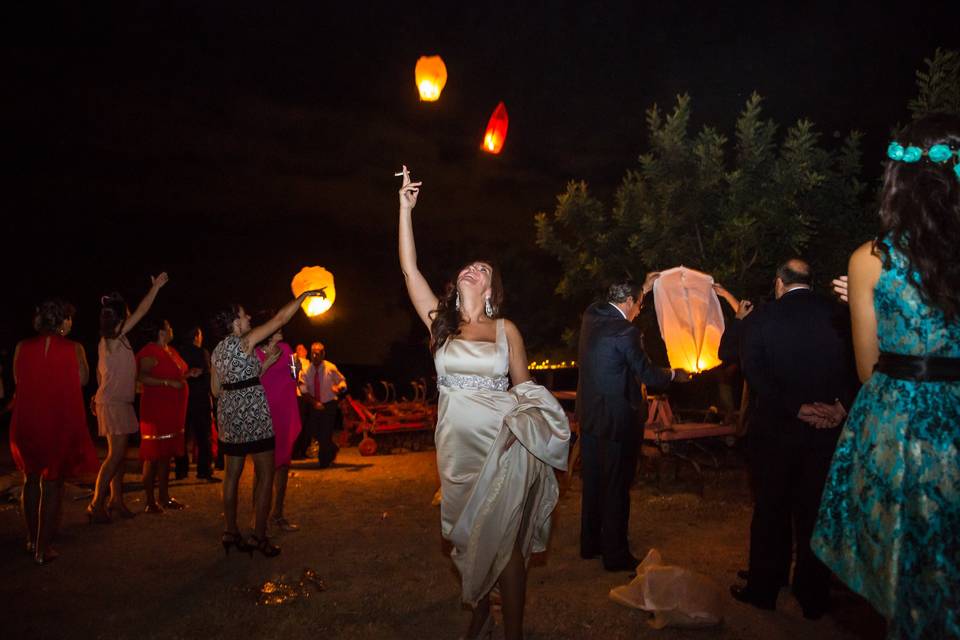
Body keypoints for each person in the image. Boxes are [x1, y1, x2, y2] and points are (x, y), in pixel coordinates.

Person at [398, 165, 570, 640]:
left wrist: (522, 434)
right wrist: (404, 210)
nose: (474, 268)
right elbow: (410, 270)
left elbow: (527, 393)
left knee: (506, 544)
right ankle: (480, 609)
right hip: (455, 449)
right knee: (463, 537)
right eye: (470, 266)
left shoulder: (505, 330)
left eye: (484, 270)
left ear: (491, 290)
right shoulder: (441, 325)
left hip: (502, 446)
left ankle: (511, 630)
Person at [812, 114, 960, 639]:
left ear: (895, 180)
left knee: (908, 575)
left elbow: (866, 366)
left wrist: (883, 309)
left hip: (901, 433)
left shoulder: (870, 262)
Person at [731, 259, 858, 619]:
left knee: (771, 510)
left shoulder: (761, 319)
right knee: (814, 512)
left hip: (775, 432)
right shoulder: (840, 315)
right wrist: (840, 407)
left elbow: (755, 374)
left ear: (779, 283)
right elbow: (861, 365)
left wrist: (795, 408)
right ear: (810, 282)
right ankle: (813, 594)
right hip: (825, 432)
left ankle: (764, 589)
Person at [576, 278, 689, 572]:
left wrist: (643, 287)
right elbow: (648, 374)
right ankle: (615, 555)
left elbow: (612, 303)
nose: (639, 310)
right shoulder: (626, 331)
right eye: (638, 304)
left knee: (594, 483)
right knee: (616, 487)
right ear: (627, 303)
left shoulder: (591, 316)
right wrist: (675, 374)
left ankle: (590, 545)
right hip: (617, 422)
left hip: (590, 418)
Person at [209, 291, 323, 557]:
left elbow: (215, 390)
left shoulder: (216, 351)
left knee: (231, 477)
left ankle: (230, 531)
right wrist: (303, 296)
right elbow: (282, 316)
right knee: (266, 476)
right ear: (234, 323)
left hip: (230, 418)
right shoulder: (246, 342)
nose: (248, 317)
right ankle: (259, 536)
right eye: (242, 314)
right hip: (255, 417)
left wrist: (263, 367)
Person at [10, 299, 99, 563]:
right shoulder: (75, 348)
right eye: (69, 318)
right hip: (57, 423)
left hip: (26, 422)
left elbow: (18, 379)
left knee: (30, 478)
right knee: (52, 483)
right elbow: (83, 379)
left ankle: (30, 538)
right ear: (61, 321)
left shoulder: (21, 347)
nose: (72, 323)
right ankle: (42, 548)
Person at [88, 274, 169, 522]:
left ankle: (116, 501)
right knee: (114, 457)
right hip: (114, 404)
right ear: (121, 317)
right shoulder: (112, 338)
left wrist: (98, 392)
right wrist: (155, 288)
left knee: (118, 456)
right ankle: (95, 505)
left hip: (115, 402)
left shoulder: (115, 341)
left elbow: (102, 372)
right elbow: (143, 311)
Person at [136, 319, 189, 513]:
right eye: (169, 327)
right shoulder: (150, 351)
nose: (172, 329)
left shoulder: (171, 350)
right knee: (153, 455)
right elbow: (141, 376)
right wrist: (167, 383)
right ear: (161, 331)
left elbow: (179, 373)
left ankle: (164, 497)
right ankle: (150, 502)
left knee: (166, 455)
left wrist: (189, 375)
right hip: (156, 411)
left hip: (173, 412)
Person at [254, 319, 302, 532]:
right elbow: (251, 380)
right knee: (261, 468)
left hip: (285, 413)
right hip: (265, 414)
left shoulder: (286, 349)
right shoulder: (254, 352)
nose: (281, 327)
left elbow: (293, 376)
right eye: (276, 325)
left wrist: (297, 369)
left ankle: (278, 514)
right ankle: (258, 517)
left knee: (282, 465)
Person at [174, 326, 215, 481]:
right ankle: (204, 471)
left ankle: (181, 470)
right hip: (199, 399)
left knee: (182, 436)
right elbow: (207, 376)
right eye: (201, 334)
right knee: (204, 436)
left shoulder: (179, 353)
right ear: (196, 336)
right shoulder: (201, 352)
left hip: (182, 399)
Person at [299, 341, 346, 468]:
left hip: (329, 404)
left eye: (318, 354)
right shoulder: (306, 370)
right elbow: (303, 390)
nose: (315, 356)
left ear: (323, 354)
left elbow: (343, 382)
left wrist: (340, 388)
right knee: (313, 431)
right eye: (313, 354)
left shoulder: (330, 368)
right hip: (314, 403)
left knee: (325, 432)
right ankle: (333, 448)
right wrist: (314, 403)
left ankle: (324, 461)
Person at [291, 343, 311, 459]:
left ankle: (303, 451)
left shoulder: (309, 363)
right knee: (298, 424)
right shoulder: (293, 360)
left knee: (306, 425)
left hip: (308, 397)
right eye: (298, 348)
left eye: (303, 348)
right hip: (298, 396)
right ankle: (294, 452)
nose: (301, 350)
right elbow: (293, 376)